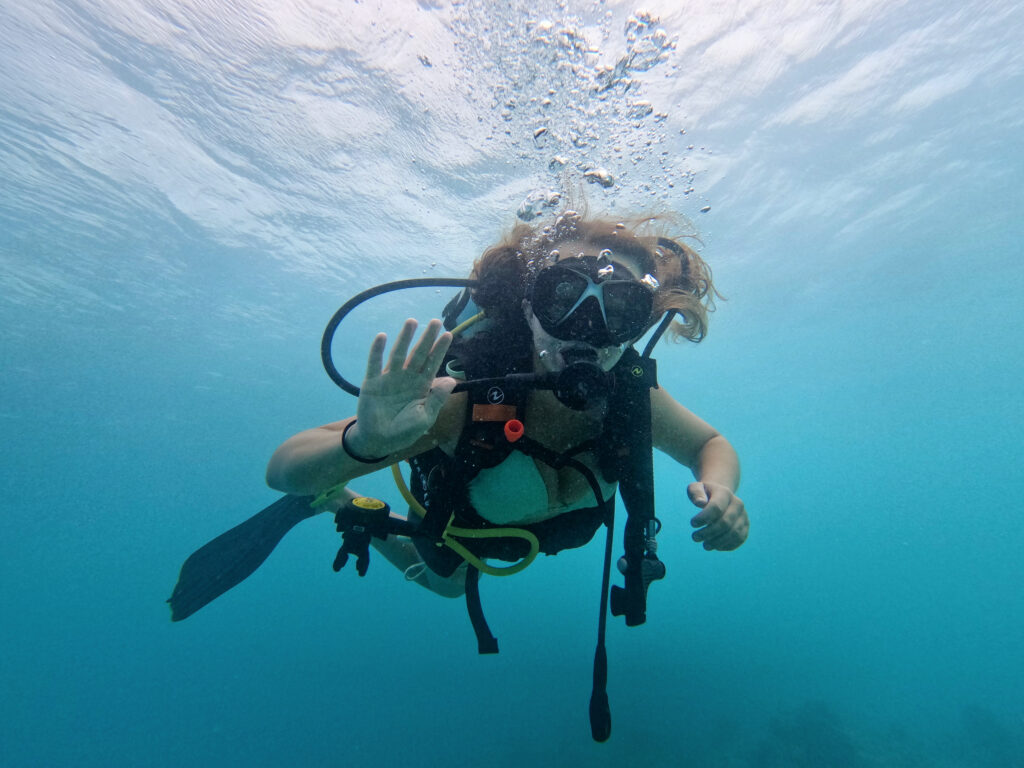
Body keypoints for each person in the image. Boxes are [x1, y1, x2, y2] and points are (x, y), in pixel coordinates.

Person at [264, 211, 749, 598]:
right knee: (448, 587)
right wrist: (363, 444)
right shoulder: (463, 403)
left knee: (453, 590)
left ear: (638, 328)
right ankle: (340, 502)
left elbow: (709, 443)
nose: (585, 328)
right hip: (460, 531)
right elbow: (284, 470)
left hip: (536, 533)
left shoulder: (631, 398)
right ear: (527, 305)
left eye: (617, 310)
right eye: (563, 297)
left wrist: (720, 487)